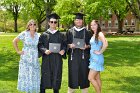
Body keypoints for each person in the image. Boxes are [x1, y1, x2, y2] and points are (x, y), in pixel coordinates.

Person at [38, 13, 66, 93]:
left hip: (57, 59)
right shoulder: (44, 35)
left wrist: (63, 50)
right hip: (47, 59)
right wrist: (44, 50)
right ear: (49, 23)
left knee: (56, 76)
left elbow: (64, 45)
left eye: (55, 22)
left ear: (57, 23)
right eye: (51, 22)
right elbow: (40, 45)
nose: (53, 23)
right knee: (45, 76)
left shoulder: (61, 35)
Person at [13, 19, 40, 93]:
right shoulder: (24, 33)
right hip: (25, 58)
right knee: (26, 74)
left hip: (34, 57)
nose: (32, 26)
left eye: (34, 24)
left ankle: (32, 89)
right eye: (30, 24)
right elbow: (14, 41)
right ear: (28, 25)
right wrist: (18, 51)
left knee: (33, 74)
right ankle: (27, 90)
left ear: (36, 26)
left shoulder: (38, 35)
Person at [66, 13, 92, 93]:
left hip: (84, 59)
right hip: (73, 59)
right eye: (77, 20)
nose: (79, 21)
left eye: (80, 20)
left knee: (84, 77)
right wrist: (70, 45)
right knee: (72, 78)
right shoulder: (70, 31)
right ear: (74, 21)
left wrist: (86, 46)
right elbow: (64, 44)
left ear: (82, 21)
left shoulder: (87, 32)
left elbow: (92, 45)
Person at [88, 20, 108, 93]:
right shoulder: (94, 34)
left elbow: (105, 44)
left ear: (98, 25)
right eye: (91, 25)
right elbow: (94, 45)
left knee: (90, 78)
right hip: (93, 58)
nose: (92, 26)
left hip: (97, 59)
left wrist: (100, 52)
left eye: (94, 25)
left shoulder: (100, 33)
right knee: (97, 78)